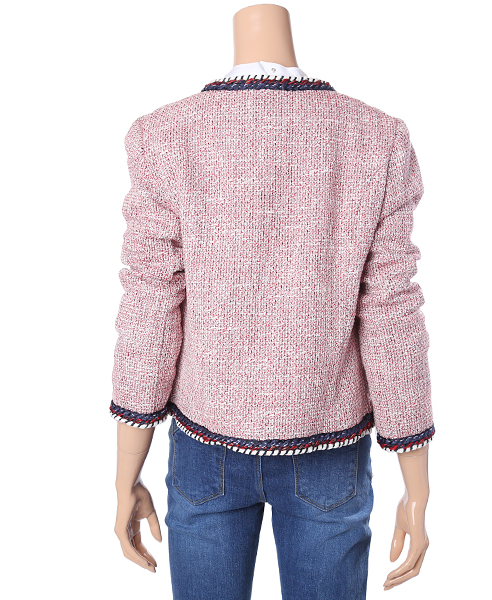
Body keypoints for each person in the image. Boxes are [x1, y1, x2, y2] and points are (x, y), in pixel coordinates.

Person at [111, 5, 435, 599]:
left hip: (206, 445)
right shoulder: (376, 137)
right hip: (327, 445)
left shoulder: (165, 135)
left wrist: (125, 469)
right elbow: (391, 313)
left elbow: (151, 305)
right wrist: (417, 485)